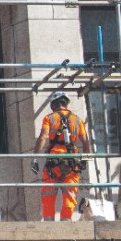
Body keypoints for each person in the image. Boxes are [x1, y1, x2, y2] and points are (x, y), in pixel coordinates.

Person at [31, 91, 91, 221]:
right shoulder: (77, 120)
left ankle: (49, 224)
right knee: (69, 195)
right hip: (72, 163)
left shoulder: (49, 118)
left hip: (54, 162)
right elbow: (87, 144)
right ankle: (66, 224)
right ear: (66, 103)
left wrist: (35, 158)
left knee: (48, 195)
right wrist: (85, 162)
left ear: (53, 104)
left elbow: (43, 137)